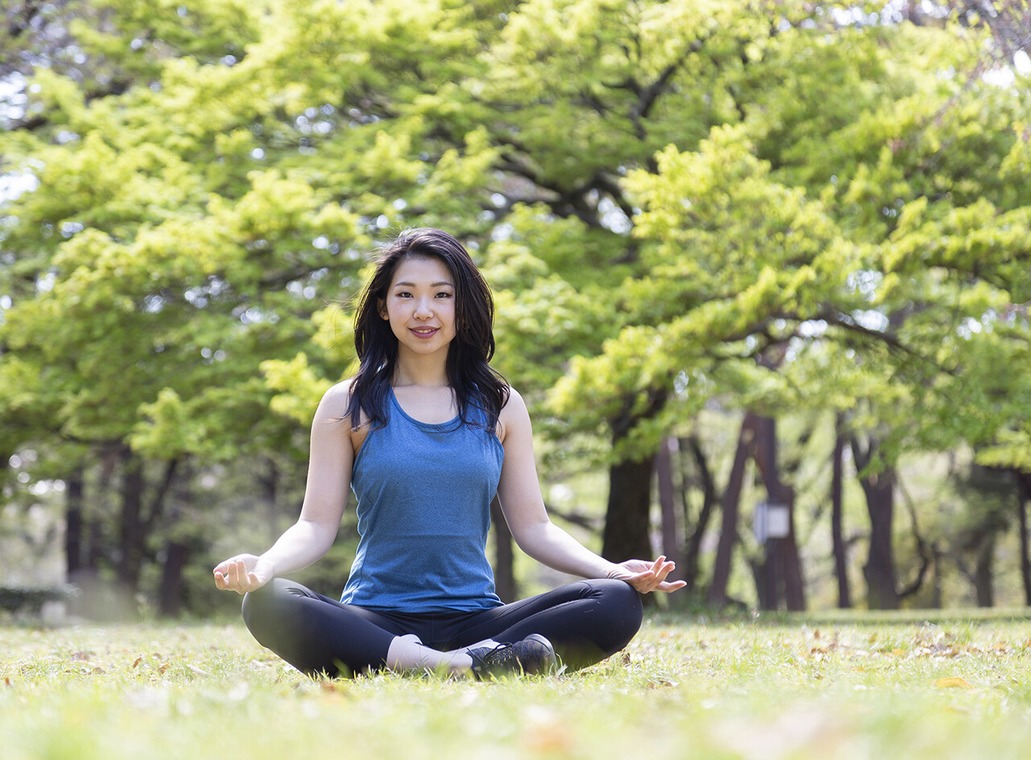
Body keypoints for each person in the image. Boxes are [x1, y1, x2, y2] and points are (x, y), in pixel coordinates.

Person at [214, 227, 685, 679]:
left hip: (478, 622)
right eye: (406, 294)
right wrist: (266, 565)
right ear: (382, 307)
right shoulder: (346, 404)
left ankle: (461, 659)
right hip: (377, 622)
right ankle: (463, 668)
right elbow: (315, 526)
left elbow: (535, 528)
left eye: (442, 295)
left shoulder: (501, 405)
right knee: (266, 601)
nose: (424, 310)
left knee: (616, 601)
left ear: (463, 307)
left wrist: (613, 570)